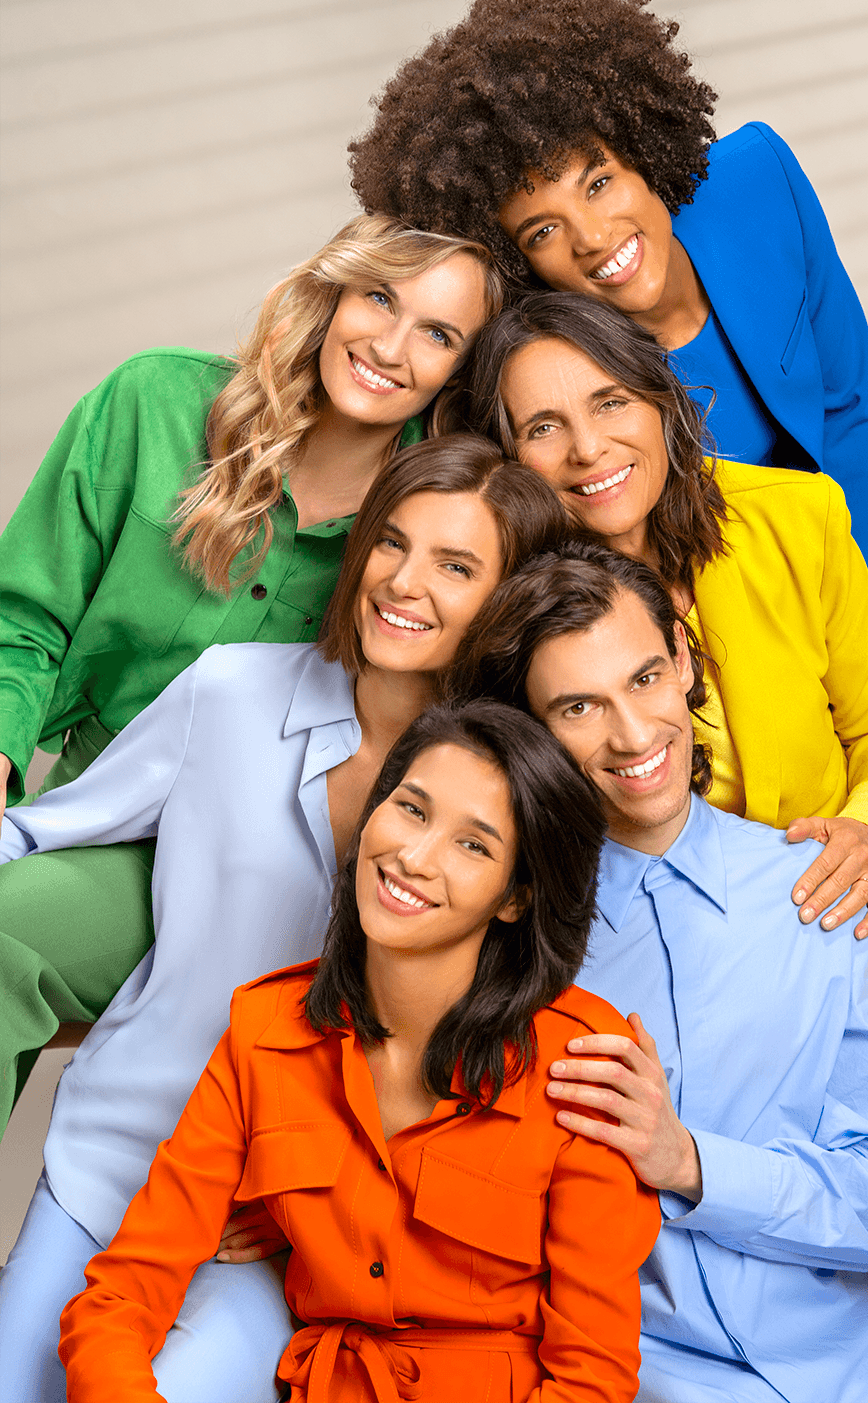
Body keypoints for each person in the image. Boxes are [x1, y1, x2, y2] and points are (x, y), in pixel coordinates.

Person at [445, 292, 868, 1391]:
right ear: (505, 459)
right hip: (741, 963)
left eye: (609, 401)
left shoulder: (791, 515)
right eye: (540, 428)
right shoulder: (512, 610)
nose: (588, 447)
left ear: (660, 398)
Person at [346, 0, 868, 863]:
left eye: (600, 181)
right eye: (540, 230)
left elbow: (845, 410)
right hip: (686, 606)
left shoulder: (761, 181)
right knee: (786, 832)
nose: (588, 236)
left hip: (810, 564)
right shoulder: (570, 367)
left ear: (645, 148)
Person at [0, 436, 570, 1403]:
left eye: (457, 565)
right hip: (111, 1153)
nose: (404, 582)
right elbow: (44, 832)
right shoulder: (227, 691)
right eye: (391, 543)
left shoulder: (500, 802)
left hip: (281, 1228)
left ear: (504, 602)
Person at [0, 214, 503, 1125]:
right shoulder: (151, 404)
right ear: (336, 289)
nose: (389, 347)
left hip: (251, 860)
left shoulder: (426, 533)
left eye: (437, 334)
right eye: (379, 298)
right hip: (87, 803)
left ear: (460, 373)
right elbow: (21, 617)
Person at [57, 699, 660, 1401]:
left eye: (474, 845)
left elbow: (593, 1378)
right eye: (411, 809)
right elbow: (122, 1295)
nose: (414, 856)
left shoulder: (581, 1066)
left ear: (516, 898)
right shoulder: (265, 1028)